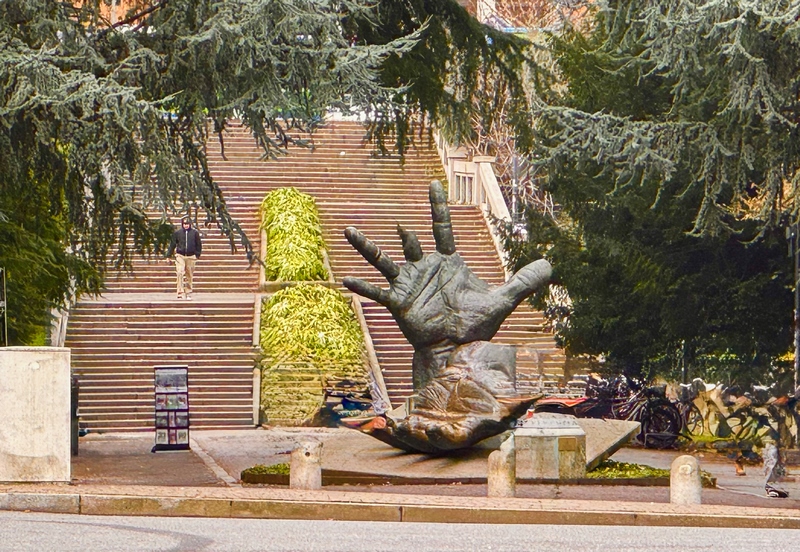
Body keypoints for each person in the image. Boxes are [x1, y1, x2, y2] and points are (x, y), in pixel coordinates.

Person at [166, 217, 202, 300]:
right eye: (185, 224)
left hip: (191, 256)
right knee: (180, 272)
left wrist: (197, 255)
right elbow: (172, 244)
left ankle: (188, 292)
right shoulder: (178, 233)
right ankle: (180, 292)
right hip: (180, 255)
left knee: (189, 274)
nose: (186, 226)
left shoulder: (194, 233)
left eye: (187, 224)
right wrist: (168, 255)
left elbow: (198, 244)